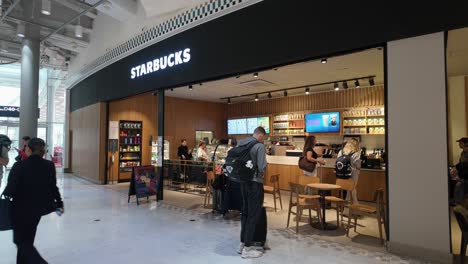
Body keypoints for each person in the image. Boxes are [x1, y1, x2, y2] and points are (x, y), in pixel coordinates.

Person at [3, 138, 64, 264]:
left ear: (28, 150)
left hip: (19, 210)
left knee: (21, 242)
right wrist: (59, 203)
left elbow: (10, 190)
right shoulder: (49, 165)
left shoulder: (19, 166)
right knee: (27, 240)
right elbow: (53, 187)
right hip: (37, 210)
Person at [238, 127, 267, 259]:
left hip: (243, 182)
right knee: (253, 215)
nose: (264, 139)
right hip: (255, 183)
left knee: (245, 212)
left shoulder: (241, 143)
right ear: (260, 135)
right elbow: (262, 167)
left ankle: (242, 244)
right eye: (264, 137)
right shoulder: (259, 146)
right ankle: (247, 249)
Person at [337, 138, 361, 204]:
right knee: (351, 189)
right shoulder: (356, 154)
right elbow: (358, 165)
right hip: (353, 174)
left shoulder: (341, 152)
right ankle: (351, 208)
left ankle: (348, 207)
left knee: (347, 190)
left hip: (341, 174)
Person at [451, 137, 468, 204]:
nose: (459, 144)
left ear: (466, 144)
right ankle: (455, 200)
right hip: (463, 175)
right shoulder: (463, 153)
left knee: (459, 185)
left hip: (465, 176)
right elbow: (461, 164)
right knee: (452, 175)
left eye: (461, 143)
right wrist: (455, 167)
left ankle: (457, 202)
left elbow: (466, 167)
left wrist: (460, 176)